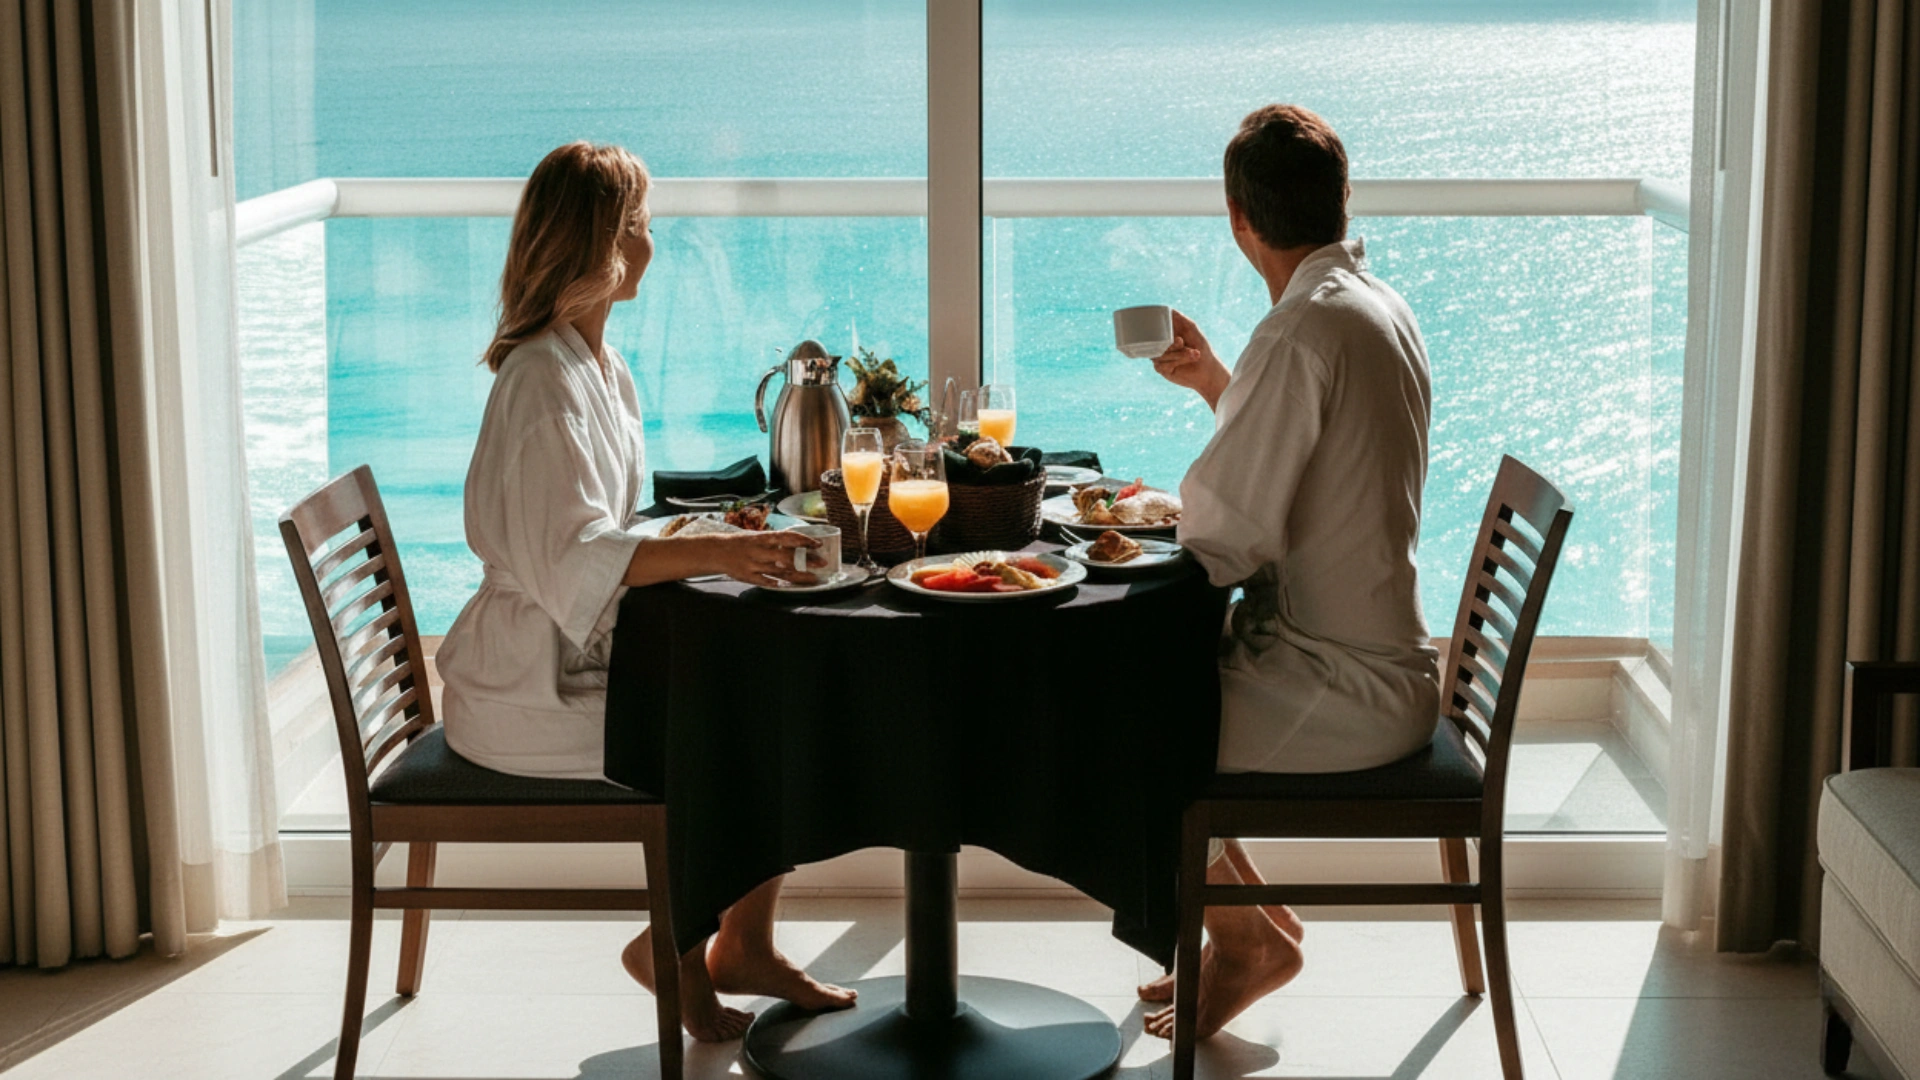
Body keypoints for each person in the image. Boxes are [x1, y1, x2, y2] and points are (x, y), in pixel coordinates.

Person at [435, 141, 856, 1042]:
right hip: (525, 692)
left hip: (565, 647)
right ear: (605, 247)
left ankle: (739, 943)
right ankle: (679, 948)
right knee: (746, 723)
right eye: (644, 226)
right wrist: (717, 549)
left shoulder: (596, 364)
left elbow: (603, 535)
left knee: (763, 696)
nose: (655, 243)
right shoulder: (542, 382)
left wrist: (715, 542)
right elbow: (578, 551)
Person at [1138, 105, 1441, 1040]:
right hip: (1381, 656)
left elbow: (1225, 540)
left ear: (1239, 219)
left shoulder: (1301, 331)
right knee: (1144, 699)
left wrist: (1145, 530)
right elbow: (1311, 471)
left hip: (1345, 685)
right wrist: (1219, 385)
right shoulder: (1369, 307)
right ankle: (1252, 932)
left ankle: (1247, 944)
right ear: (1341, 197)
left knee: (1119, 726)